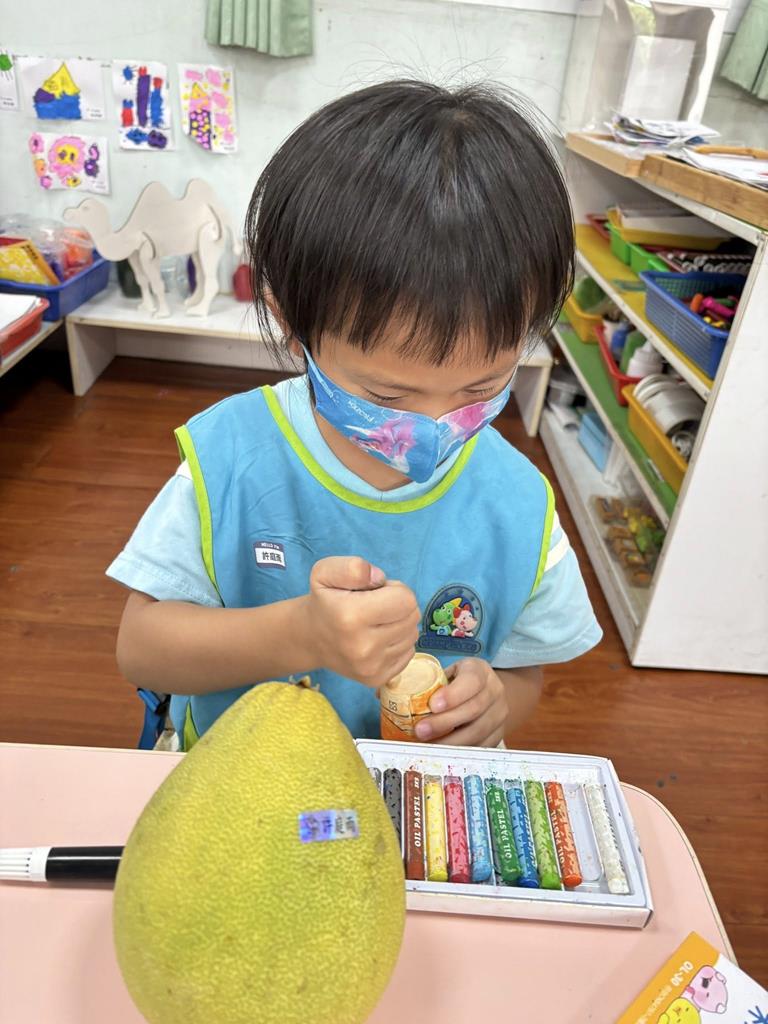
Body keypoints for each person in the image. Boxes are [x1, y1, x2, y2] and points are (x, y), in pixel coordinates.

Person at [107, 79, 601, 751]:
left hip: (412, 796)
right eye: (388, 398)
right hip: (245, 780)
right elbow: (142, 649)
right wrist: (301, 633)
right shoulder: (232, 459)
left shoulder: (517, 505)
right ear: (291, 321)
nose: (433, 427)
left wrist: (493, 705)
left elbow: (522, 675)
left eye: (480, 387)